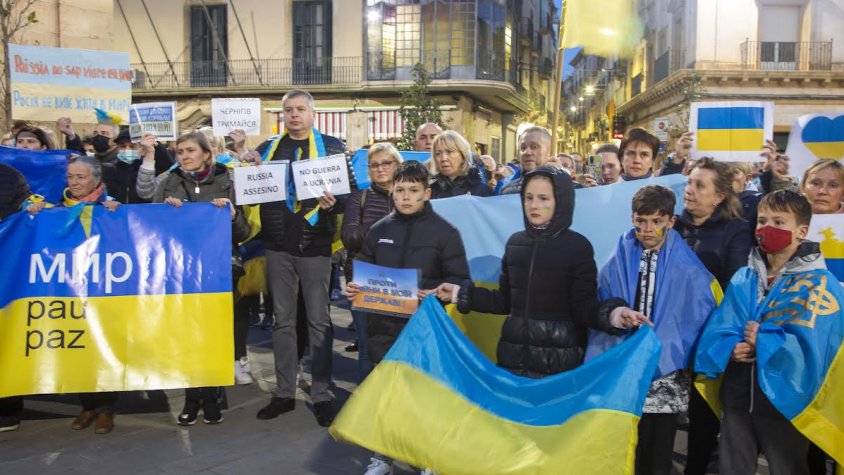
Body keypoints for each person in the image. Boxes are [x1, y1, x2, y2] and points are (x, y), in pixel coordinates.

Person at [694, 190, 838, 475]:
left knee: (788, 468)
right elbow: (720, 326)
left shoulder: (821, 284)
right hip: (736, 397)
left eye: (779, 222)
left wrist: (764, 342)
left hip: (784, 403)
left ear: (802, 231)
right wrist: (731, 348)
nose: (767, 228)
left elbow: (819, 349)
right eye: (762, 220)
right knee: (732, 468)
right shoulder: (744, 276)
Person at [434, 166, 623, 377]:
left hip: (559, 362)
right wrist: (458, 294)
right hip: (512, 357)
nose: (534, 205)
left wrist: (613, 315)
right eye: (529, 197)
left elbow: (584, 307)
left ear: (561, 201)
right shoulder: (515, 243)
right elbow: (503, 301)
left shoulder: (578, 247)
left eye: (543, 198)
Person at [346, 160, 470, 475]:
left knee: (424, 397)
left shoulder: (445, 233)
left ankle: (426, 456)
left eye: (413, 190)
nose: (405, 196)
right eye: (400, 190)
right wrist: (353, 286)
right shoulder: (378, 230)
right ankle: (383, 456)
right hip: (383, 328)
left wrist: (444, 291)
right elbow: (361, 268)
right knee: (388, 396)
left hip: (425, 330)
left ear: (426, 193)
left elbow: (461, 280)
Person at [587, 185, 718, 475]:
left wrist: (667, 349)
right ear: (632, 217)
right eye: (641, 221)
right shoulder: (620, 253)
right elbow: (604, 296)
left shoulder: (687, 265)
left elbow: (694, 314)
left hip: (666, 376)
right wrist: (619, 315)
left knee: (658, 449)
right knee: (626, 444)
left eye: (657, 222)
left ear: (671, 222)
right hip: (627, 366)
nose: (648, 229)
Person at [241, 89, 346, 427]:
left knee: (319, 321)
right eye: (288, 110)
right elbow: (249, 192)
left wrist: (335, 205)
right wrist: (249, 169)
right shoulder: (266, 150)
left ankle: (322, 393)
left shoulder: (332, 148)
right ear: (282, 115)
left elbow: (347, 197)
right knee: (283, 322)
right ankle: (284, 392)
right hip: (277, 245)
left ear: (313, 113)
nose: (294, 115)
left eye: (300, 109)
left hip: (316, 244)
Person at [152, 131, 251, 426]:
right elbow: (153, 228)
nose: (184, 156)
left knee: (214, 335)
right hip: (181, 271)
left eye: (190, 150)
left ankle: (211, 396)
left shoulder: (228, 180)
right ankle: (191, 397)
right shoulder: (168, 182)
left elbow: (243, 233)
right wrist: (164, 213)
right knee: (187, 336)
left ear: (207, 153)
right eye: (179, 151)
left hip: (218, 269)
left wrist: (232, 216)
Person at [27, 155, 121, 433]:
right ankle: (87, 405)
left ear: (96, 179)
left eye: (80, 177)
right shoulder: (54, 207)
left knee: (102, 347)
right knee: (77, 346)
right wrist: (33, 214)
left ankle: (106, 408)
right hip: (68, 290)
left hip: (103, 289)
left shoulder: (110, 205)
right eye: (70, 177)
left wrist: (115, 213)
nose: (74, 182)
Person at [675, 157, 754, 475]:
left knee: (702, 415)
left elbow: (734, 286)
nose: (689, 190)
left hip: (709, 337)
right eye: (689, 182)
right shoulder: (672, 224)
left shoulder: (736, 231)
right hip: (670, 334)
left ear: (719, 196)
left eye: (699, 184)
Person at [341, 143, 402, 380]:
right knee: (368, 348)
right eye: (374, 165)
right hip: (365, 280)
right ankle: (364, 406)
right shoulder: (360, 197)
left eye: (386, 163)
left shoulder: (410, 194)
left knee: (398, 350)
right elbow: (349, 237)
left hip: (401, 280)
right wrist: (389, 220)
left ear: (398, 165)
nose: (380, 169)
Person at [0, 163, 32, 432]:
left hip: (5, 265)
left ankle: (7, 408)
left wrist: (31, 209)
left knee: (5, 335)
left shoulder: (10, 175)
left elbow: (26, 209)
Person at [429, 131, 493, 198]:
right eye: (438, 154)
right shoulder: (429, 191)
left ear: (463, 156)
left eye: (449, 152)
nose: (443, 158)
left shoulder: (482, 191)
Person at [499, 127, 552, 195]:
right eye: (523, 148)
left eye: (534, 147)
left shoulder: (562, 188)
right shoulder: (506, 190)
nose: (527, 152)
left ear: (548, 151)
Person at [730, 161, 762, 233]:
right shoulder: (712, 199)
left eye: (735, 172)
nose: (728, 175)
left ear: (747, 178)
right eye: (725, 170)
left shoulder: (757, 201)